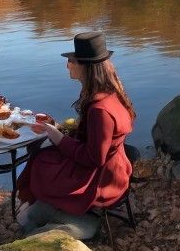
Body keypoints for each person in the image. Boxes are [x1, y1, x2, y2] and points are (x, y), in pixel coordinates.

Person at [15, 31, 135, 236]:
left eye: (71, 61)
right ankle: (39, 206)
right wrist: (59, 129)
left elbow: (94, 158)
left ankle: (47, 211)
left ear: (86, 66)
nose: (67, 65)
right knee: (42, 153)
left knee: (41, 161)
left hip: (103, 179)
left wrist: (58, 137)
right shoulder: (111, 93)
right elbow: (94, 138)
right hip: (114, 167)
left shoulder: (100, 110)